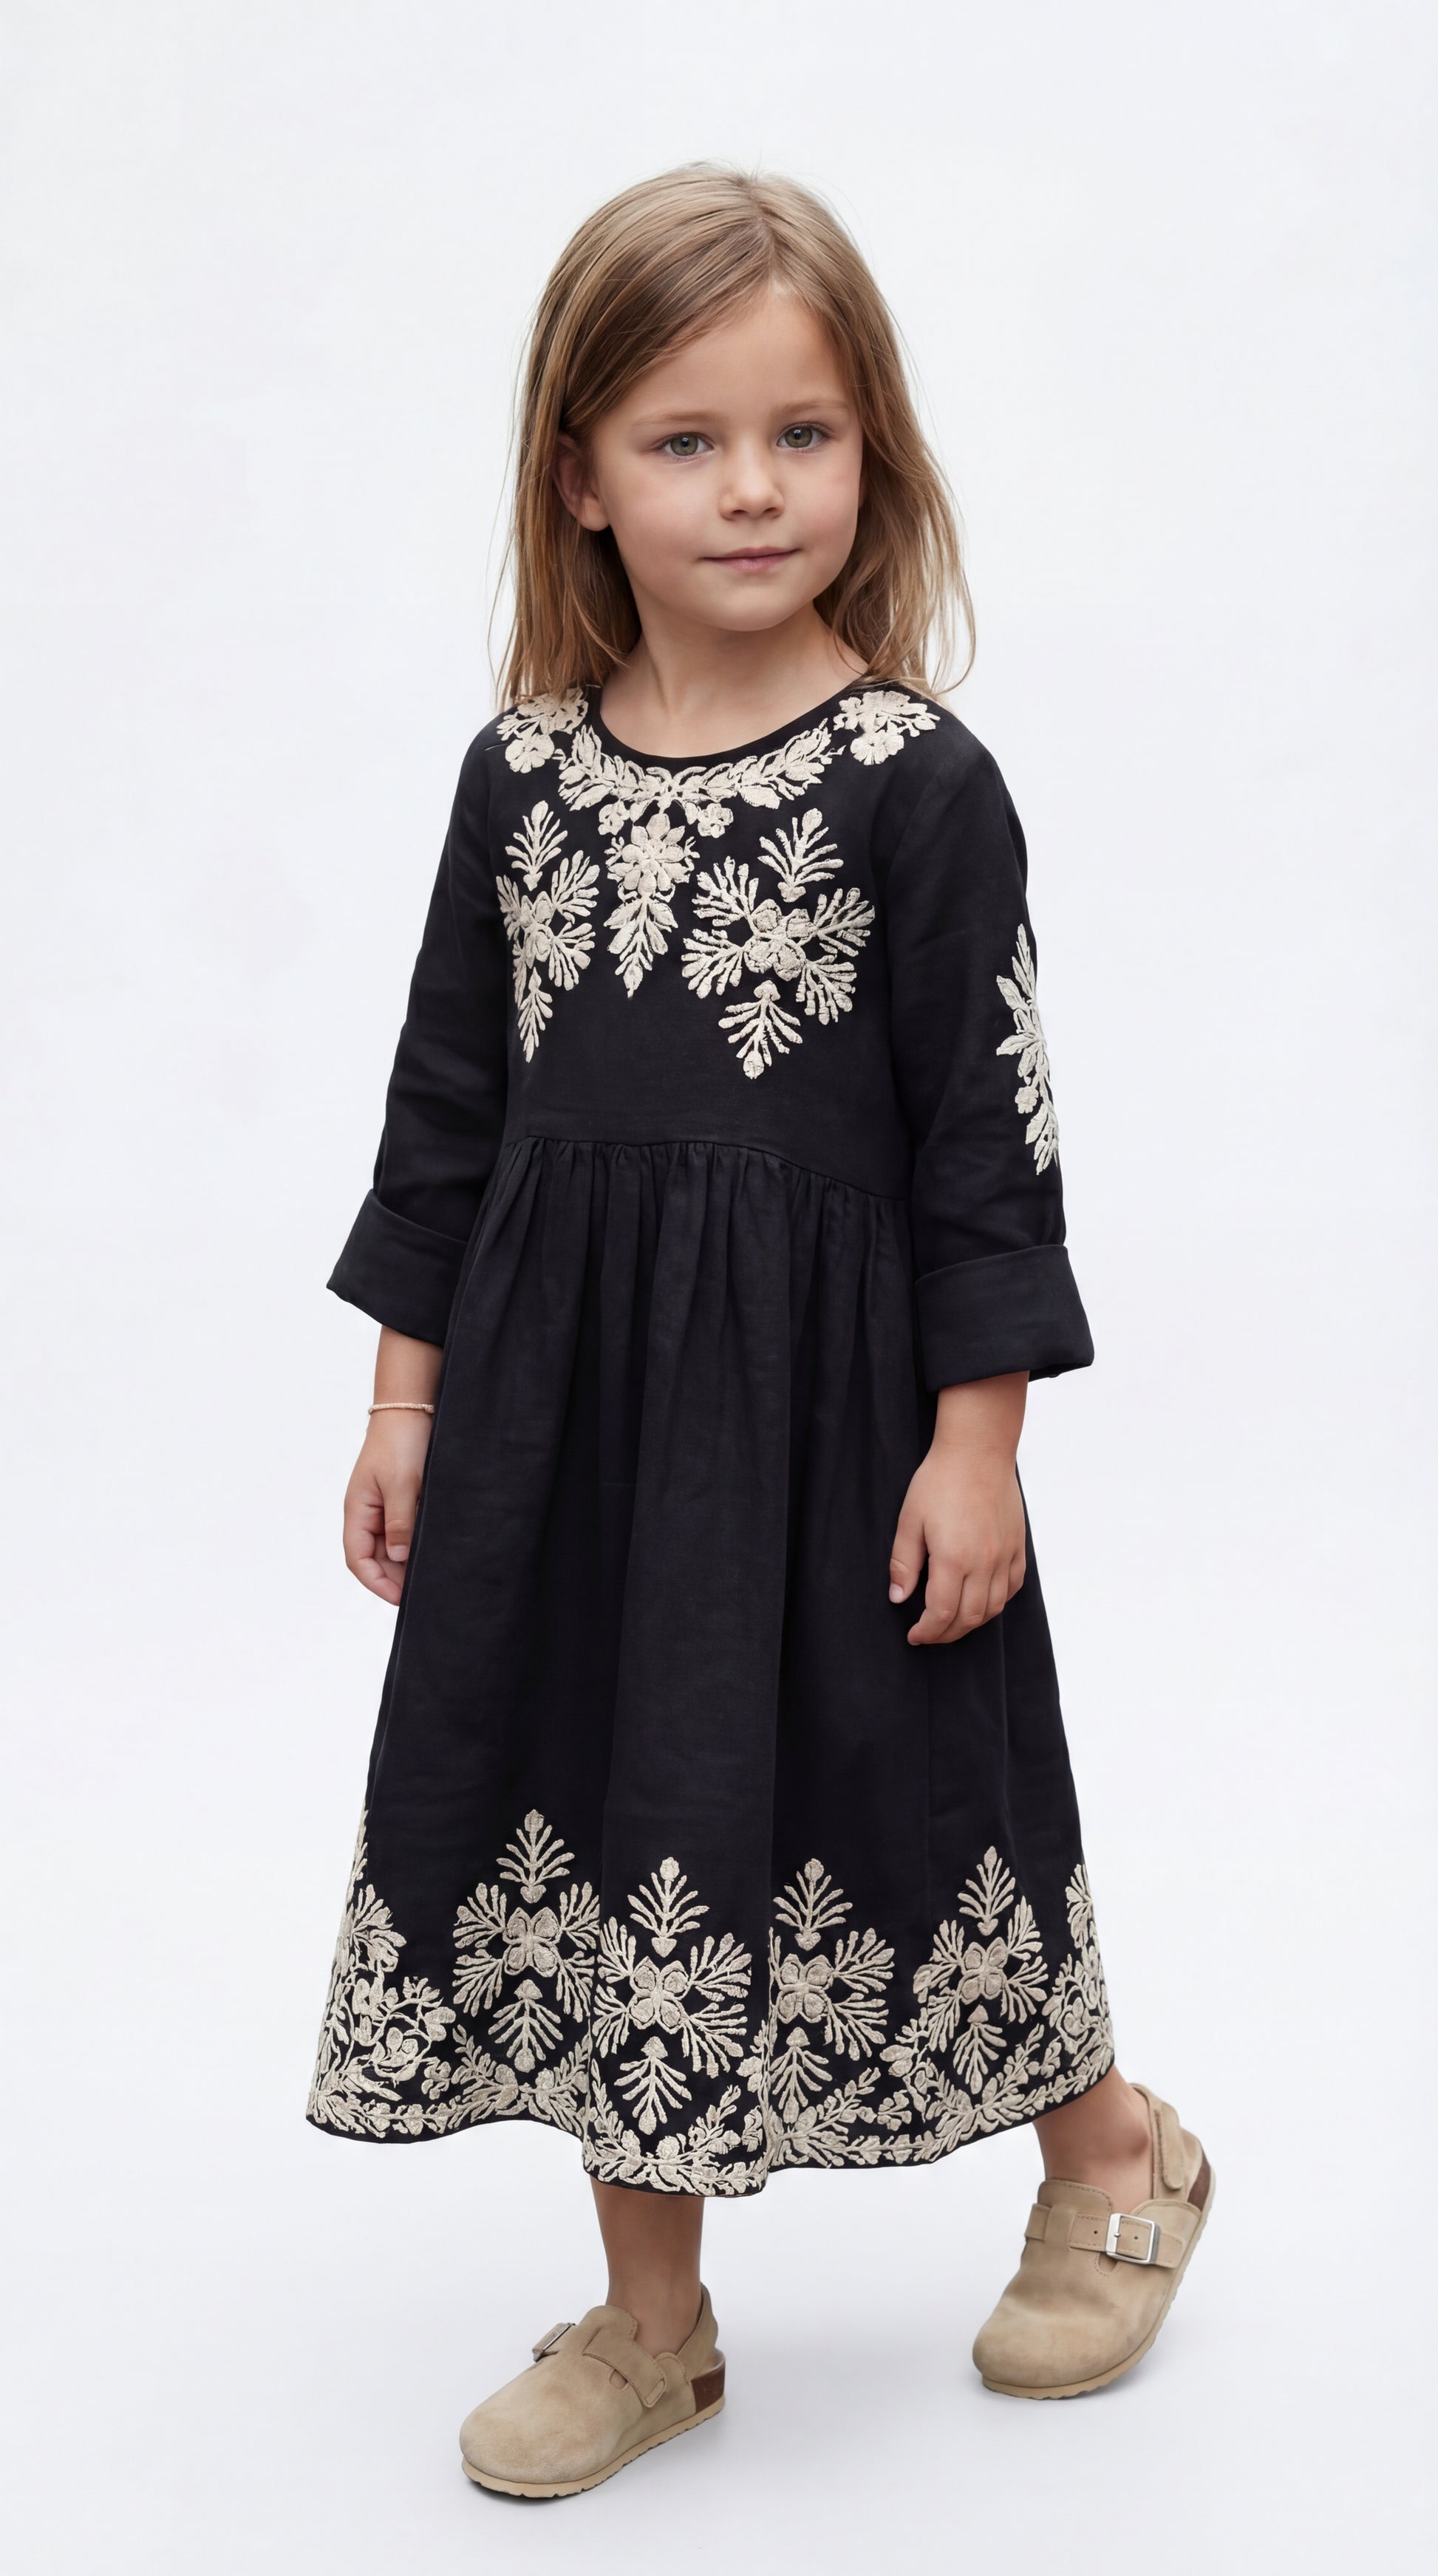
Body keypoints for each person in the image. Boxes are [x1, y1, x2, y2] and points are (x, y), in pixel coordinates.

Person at [307, 165, 1212, 2499]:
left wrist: (977, 1442)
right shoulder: (518, 780)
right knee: (606, 1804)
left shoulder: (915, 788)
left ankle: (1113, 2146)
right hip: (569, 1437)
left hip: (835, 1437)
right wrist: (405, 1397)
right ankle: (650, 2323)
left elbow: (985, 1144)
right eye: (686, 440)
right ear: (578, 480)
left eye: (801, 435)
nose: (749, 488)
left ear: (868, 457)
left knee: (911, 1803)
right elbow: (445, 1109)